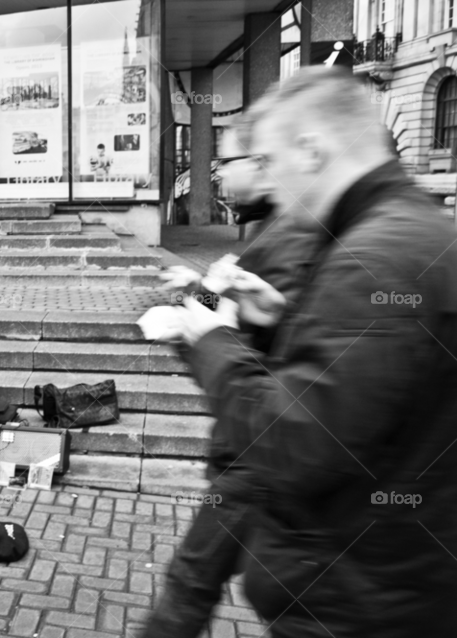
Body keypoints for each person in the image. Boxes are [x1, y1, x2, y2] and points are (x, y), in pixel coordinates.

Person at [158, 66, 457, 637]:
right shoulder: (414, 229)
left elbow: (296, 446)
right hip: (396, 578)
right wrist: (280, 319)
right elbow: (374, 386)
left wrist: (211, 341)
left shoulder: (377, 256)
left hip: (355, 600)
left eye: (269, 161)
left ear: (311, 150)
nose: (267, 181)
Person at [137, 112, 317, 638]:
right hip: (254, 448)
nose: (218, 175)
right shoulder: (273, 229)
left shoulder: (293, 235)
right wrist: (197, 287)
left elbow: (254, 347)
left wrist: (193, 335)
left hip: (257, 453)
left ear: (262, 164)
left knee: (192, 583)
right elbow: (237, 309)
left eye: (226, 162)